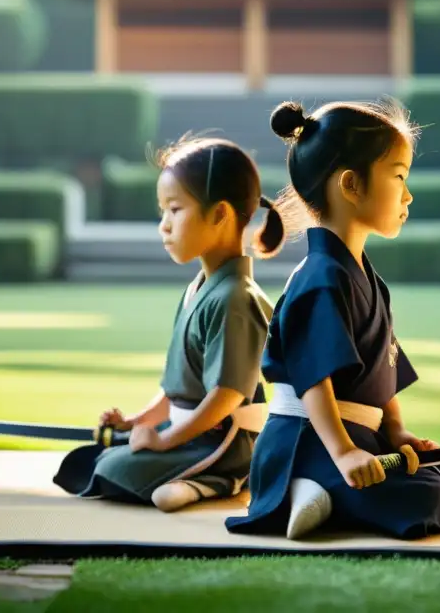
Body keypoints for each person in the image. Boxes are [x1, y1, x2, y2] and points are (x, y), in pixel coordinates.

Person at [224, 97, 440, 541]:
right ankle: (304, 487)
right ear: (351, 185)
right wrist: (343, 451)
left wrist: (395, 430)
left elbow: (382, 366)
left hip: (356, 440)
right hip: (310, 442)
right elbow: (314, 379)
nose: (407, 194)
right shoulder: (320, 279)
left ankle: (322, 496)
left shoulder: (359, 275)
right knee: (428, 499)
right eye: (398, 177)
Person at [53, 137, 281, 512]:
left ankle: (218, 481)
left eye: (175, 210)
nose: (164, 226)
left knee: (111, 470)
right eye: (164, 212)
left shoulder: (236, 299)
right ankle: (186, 477)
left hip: (224, 442)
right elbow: (175, 390)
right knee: (89, 461)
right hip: (191, 434)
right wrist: (135, 422)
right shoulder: (201, 289)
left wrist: (165, 441)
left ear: (220, 214)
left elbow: (226, 396)